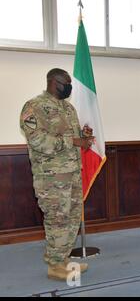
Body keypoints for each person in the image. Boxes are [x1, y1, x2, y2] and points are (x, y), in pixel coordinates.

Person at [20, 68, 94, 280]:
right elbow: (37, 140)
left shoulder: (68, 108)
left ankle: (62, 260)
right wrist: (72, 141)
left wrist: (84, 137)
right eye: (66, 83)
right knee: (57, 219)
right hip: (51, 177)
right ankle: (54, 266)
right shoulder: (34, 107)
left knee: (71, 218)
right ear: (54, 82)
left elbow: (74, 136)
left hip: (72, 173)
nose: (69, 87)